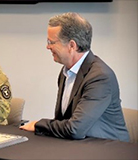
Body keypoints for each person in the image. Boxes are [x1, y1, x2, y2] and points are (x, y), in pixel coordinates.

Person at [20, 12, 130, 142]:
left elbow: (75, 129)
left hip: (107, 149)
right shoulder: (66, 71)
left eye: (51, 42)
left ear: (72, 45)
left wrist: (38, 124)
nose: (47, 46)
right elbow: (62, 120)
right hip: (77, 145)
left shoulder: (100, 77)